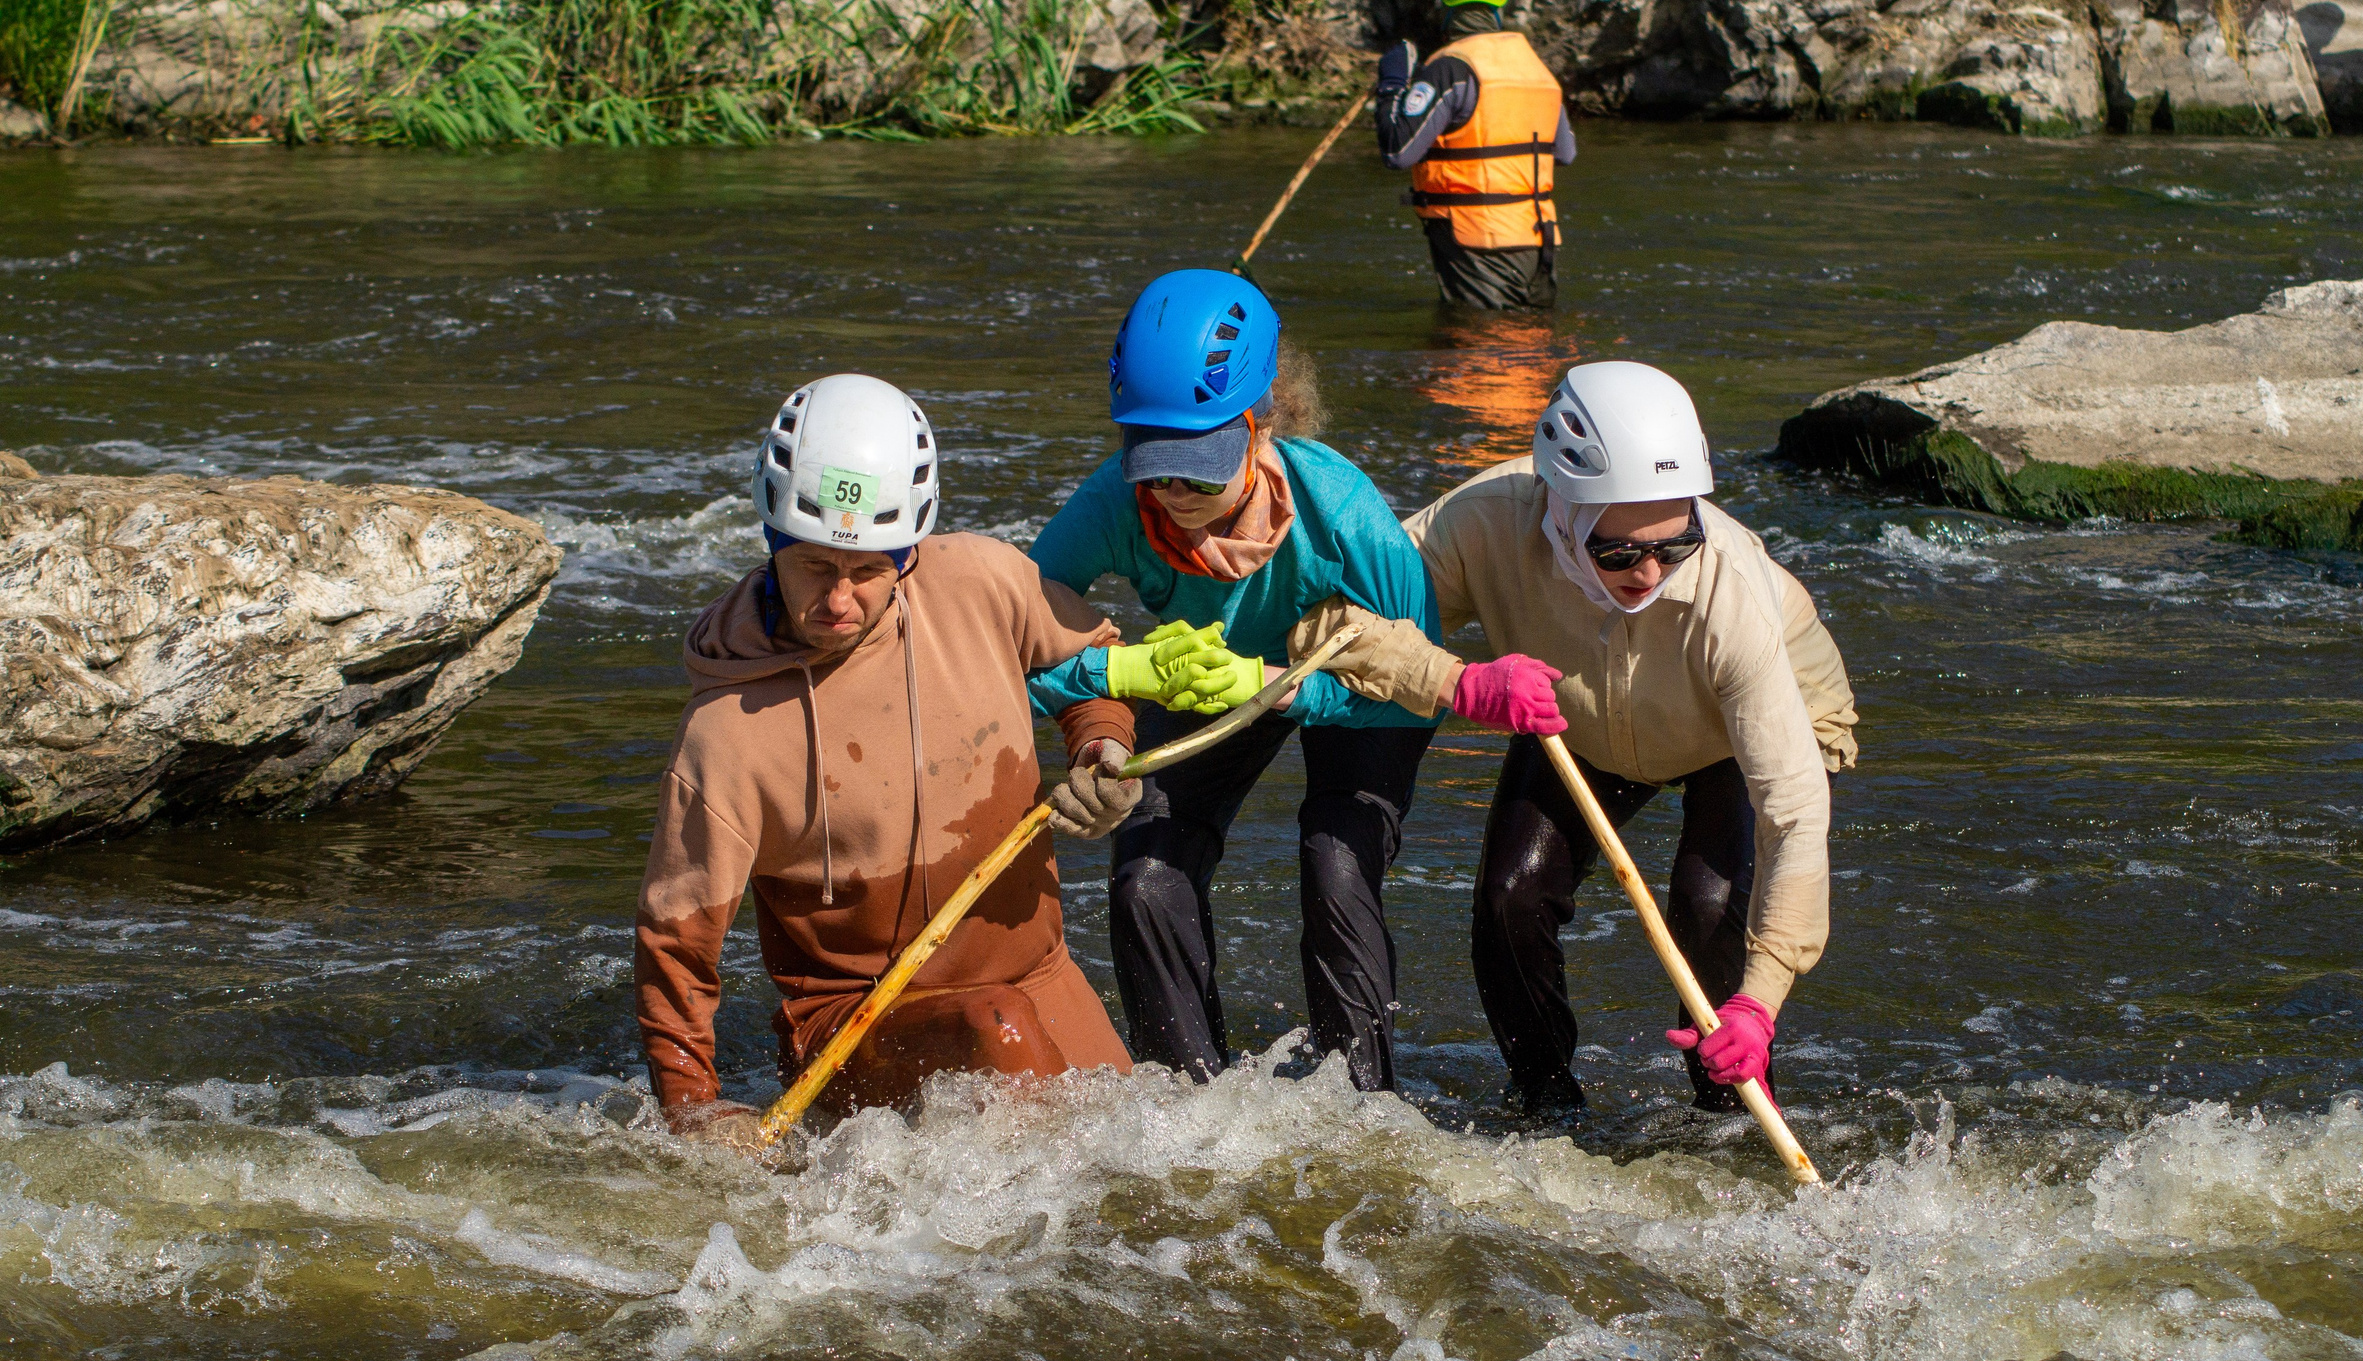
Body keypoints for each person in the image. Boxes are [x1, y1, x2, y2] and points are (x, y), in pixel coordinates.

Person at [1026, 270, 1564, 1093]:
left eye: (1199, 472)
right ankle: (1185, 1103)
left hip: (1352, 689)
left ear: (1257, 425)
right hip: (1203, 684)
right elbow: (1004, 654)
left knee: (1335, 867)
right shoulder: (1111, 506)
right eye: (1154, 469)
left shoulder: (1346, 515)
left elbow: (1413, 688)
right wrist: (1115, 682)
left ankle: (1360, 1107)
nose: (1173, 497)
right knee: (1145, 877)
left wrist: (1276, 686)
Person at [1299, 361, 1857, 1118]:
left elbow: (1794, 813)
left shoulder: (1733, 597)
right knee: (1509, 898)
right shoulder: (1484, 520)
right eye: (1620, 553)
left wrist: (1760, 1003)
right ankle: (1547, 1104)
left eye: (1676, 543)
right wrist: (1456, 679)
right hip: (1583, 717)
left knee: (1706, 901)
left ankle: (1730, 1108)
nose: (1650, 572)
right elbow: (1334, 623)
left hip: (1736, 730)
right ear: (1561, 511)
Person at [636, 374, 1173, 1148]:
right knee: (1006, 1038)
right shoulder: (724, 737)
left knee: (1150, 1173)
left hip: (1037, 974)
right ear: (772, 542)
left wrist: (1104, 749)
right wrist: (692, 1107)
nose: (840, 599)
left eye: (867, 571)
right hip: (854, 1026)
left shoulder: (985, 582)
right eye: (815, 567)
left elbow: (1098, 660)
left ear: (910, 554)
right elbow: (674, 943)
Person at [1375, 0, 1574, 312]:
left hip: (1478, 238)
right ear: (1497, 11)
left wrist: (1392, 86)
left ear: (1449, 13)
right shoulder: (1536, 69)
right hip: (1537, 236)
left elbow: (1398, 151)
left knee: (1478, 345)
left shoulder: (1450, 69)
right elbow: (1565, 153)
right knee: (1529, 342)